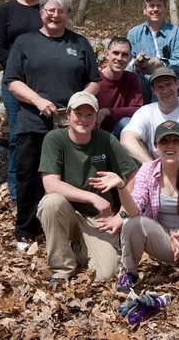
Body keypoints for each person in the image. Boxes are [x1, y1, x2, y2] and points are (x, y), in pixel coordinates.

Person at [4, 0, 100, 247]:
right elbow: (12, 81)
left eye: (61, 11)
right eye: (51, 10)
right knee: (29, 176)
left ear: (68, 14)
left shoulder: (79, 43)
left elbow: (94, 81)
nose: (56, 15)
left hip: (70, 125)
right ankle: (25, 229)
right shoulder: (25, 42)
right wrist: (37, 100)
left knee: (69, 178)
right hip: (33, 121)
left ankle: (67, 229)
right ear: (41, 12)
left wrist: (75, 104)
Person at [37, 91, 137, 284]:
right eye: (78, 114)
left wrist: (121, 215)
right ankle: (61, 269)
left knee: (107, 274)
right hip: (69, 213)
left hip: (100, 219)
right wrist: (92, 197)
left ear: (96, 117)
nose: (83, 119)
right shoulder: (54, 139)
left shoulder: (106, 139)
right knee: (51, 202)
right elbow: (50, 184)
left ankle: (78, 248)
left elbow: (133, 177)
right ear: (68, 115)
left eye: (89, 114)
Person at [112, 120, 179, 292]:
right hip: (160, 239)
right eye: (164, 141)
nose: (170, 146)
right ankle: (129, 273)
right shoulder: (147, 170)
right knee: (132, 222)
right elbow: (134, 209)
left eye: (176, 141)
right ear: (156, 146)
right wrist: (122, 187)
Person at [0, 0, 43, 201]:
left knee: (44, 137)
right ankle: (17, 191)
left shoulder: (46, 9)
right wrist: (16, 70)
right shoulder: (6, 10)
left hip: (44, 84)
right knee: (17, 137)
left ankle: (43, 188)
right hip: (14, 83)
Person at [121, 67, 179, 177]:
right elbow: (126, 139)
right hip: (158, 169)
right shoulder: (145, 111)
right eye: (160, 87)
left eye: (168, 84)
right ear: (153, 90)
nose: (165, 90)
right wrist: (151, 166)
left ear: (177, 84)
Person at [126, 0, 179, 103]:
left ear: (164, 9)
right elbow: (127, 62)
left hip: (168, 78)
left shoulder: (178, 33)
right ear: (145, 10)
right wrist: (137, 63)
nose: (155, 9)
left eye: (159, 5)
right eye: (151, 6)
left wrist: (161, 64)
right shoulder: (133, 33)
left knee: (161, 83)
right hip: (142, 82)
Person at [96, 37, 143, 137]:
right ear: (107, 55)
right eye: (115, 53)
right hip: (95, 130)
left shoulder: (131, 78)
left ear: (130, 58)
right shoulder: (95, 78)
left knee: (127, 122)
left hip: (118, 131)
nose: (119, 58)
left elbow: (137, 109)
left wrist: (108, 111)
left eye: (124, 55)